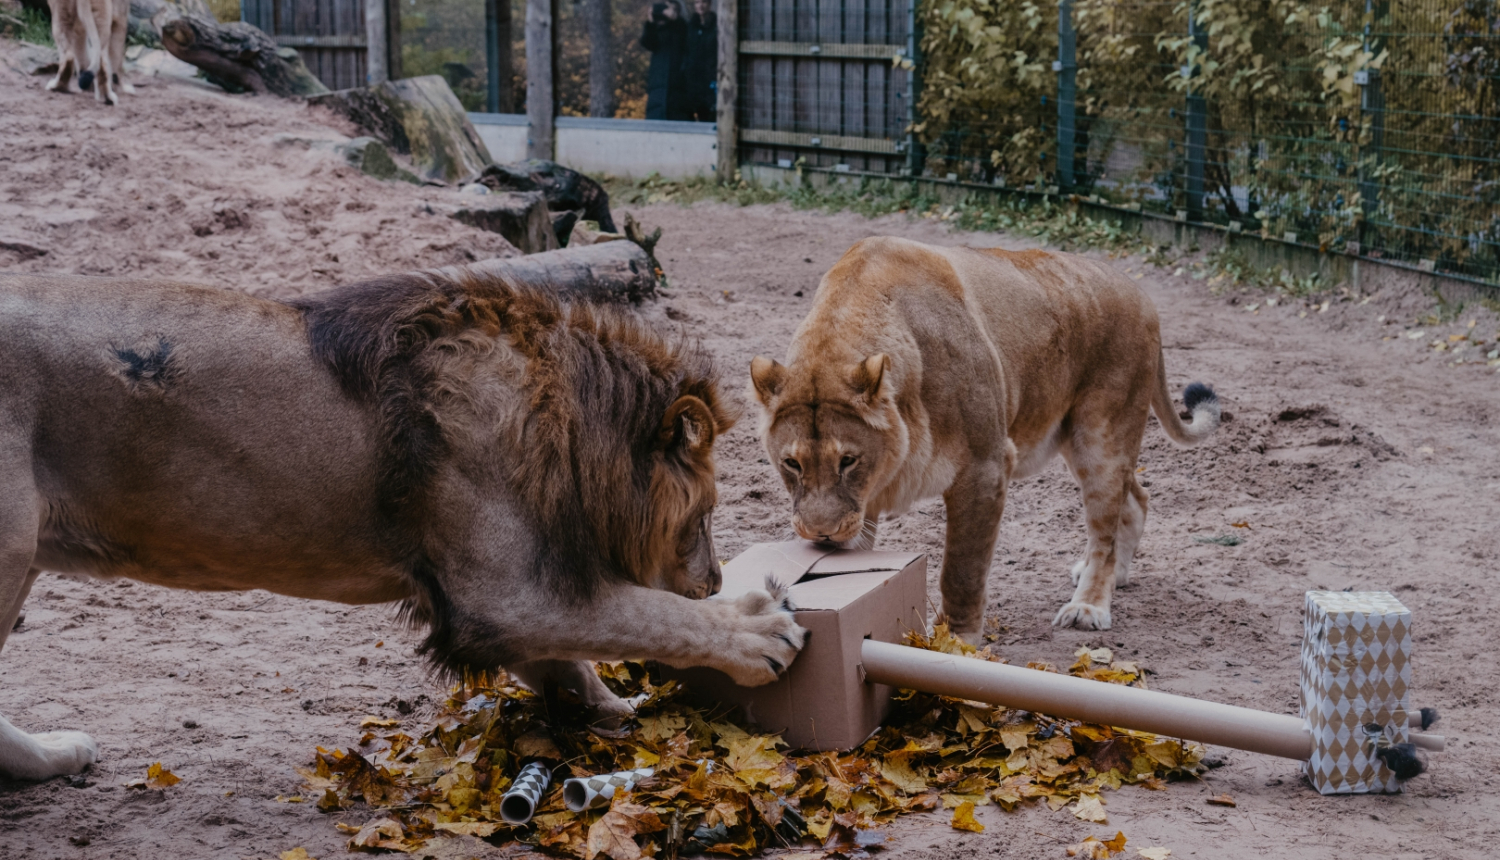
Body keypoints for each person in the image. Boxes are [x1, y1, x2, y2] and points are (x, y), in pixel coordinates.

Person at [641, 0, 688, 121]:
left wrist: (676, 19)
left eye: (671, 9)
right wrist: (651, 22)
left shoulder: (682, 29)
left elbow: (685, 37)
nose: (667, 13)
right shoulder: (658, 31)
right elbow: (647, 42)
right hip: (657, 91)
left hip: (678, 91)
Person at [682, 0, 717, 122]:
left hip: (710, 80)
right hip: (693, 81)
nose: (700, 6)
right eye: (697, 2)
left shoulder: (716, 26)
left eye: (703, 2)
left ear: (709, 4)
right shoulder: (690, 26)